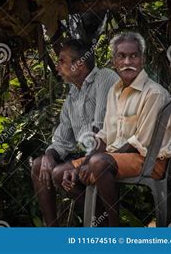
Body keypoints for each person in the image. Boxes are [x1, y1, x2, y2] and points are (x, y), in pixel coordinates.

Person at [62, 31, 171, 226]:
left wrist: (93, 162)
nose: (127, 61)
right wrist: (83, 164)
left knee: (98, 162)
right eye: (121, 56)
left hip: (150, 160)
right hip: (115, 158)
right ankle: (102, 225)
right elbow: (104, 136)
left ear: (143, 60)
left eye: (134, 55)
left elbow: (140, 142)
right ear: (114, 61)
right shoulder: (115, 91)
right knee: (60, 173)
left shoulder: (154, 93)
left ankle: (116, 232)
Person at [31, 39, 118, 226]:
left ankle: (103, 224)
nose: (57, 67)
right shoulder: (73, 95)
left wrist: (82, 164)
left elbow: (101, 128)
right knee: (40, 166)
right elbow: (62, 140)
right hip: (90, 153)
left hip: (111, 150)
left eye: (62, 61)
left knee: (60, 173)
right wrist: (48, 156)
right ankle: (52, 232)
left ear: (79, 64)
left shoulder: (103, 77)